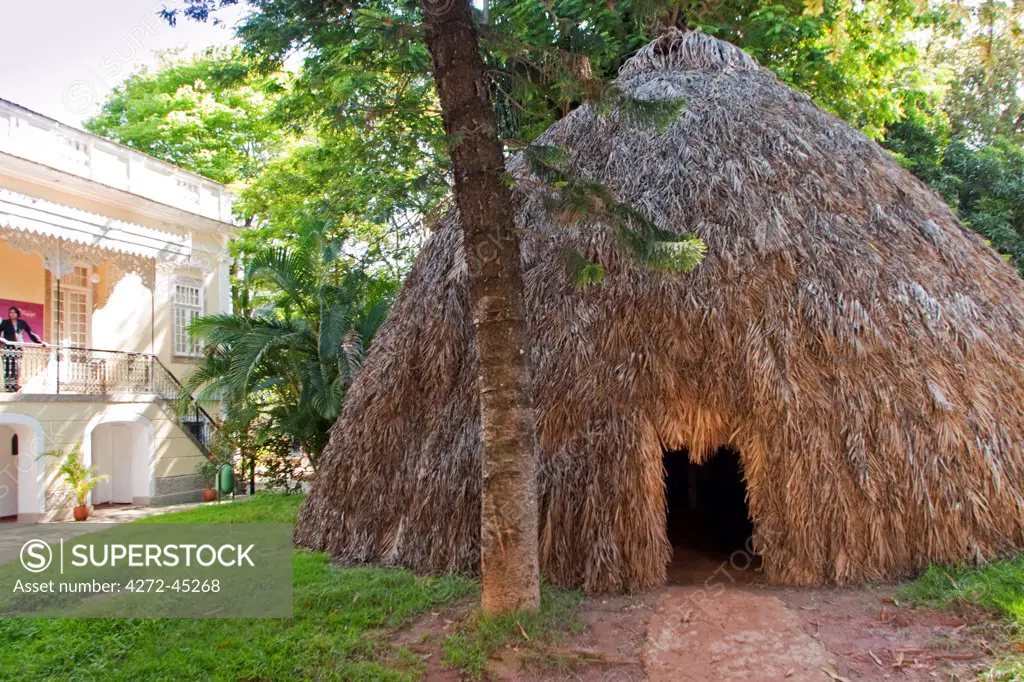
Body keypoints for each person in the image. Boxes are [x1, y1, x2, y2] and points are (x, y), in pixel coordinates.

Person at [0, 307, 44, 392]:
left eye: (14, 312)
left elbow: (31, 333)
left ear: (18, 314)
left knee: (17, 367)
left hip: (18, 347)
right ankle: (9, 386)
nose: (12, 314)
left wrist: (39, 342)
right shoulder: (5, 322)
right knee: (8, 368)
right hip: (8, 347)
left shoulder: (22, 323)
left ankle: (15, 385)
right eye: (10, 312)